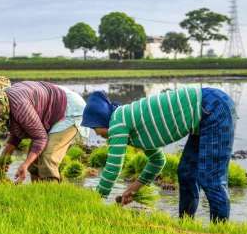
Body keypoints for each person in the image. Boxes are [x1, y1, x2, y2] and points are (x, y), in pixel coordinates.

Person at [81, 85, 236, 222]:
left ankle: (220, 232)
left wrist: (93, 202)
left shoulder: (117, 122)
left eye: (96, 129)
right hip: (203, 113)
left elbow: (113, 168)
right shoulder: (132, 128)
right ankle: (185, 225)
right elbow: (157, 160)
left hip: (212, 107)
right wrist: (133, 188)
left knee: (211, 179)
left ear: (100, 119)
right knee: (186, 173)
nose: (98, 134)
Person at [0, 75, 86, 183]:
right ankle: (37, 194)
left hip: (69, 109)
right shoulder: (6, 106)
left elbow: (40, 137)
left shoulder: (19, 105)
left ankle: (51, 200)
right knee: (34, 162)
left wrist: (25, 165)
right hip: (51, 104)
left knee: (47, 157)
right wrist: (3, 158)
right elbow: (17, 131)